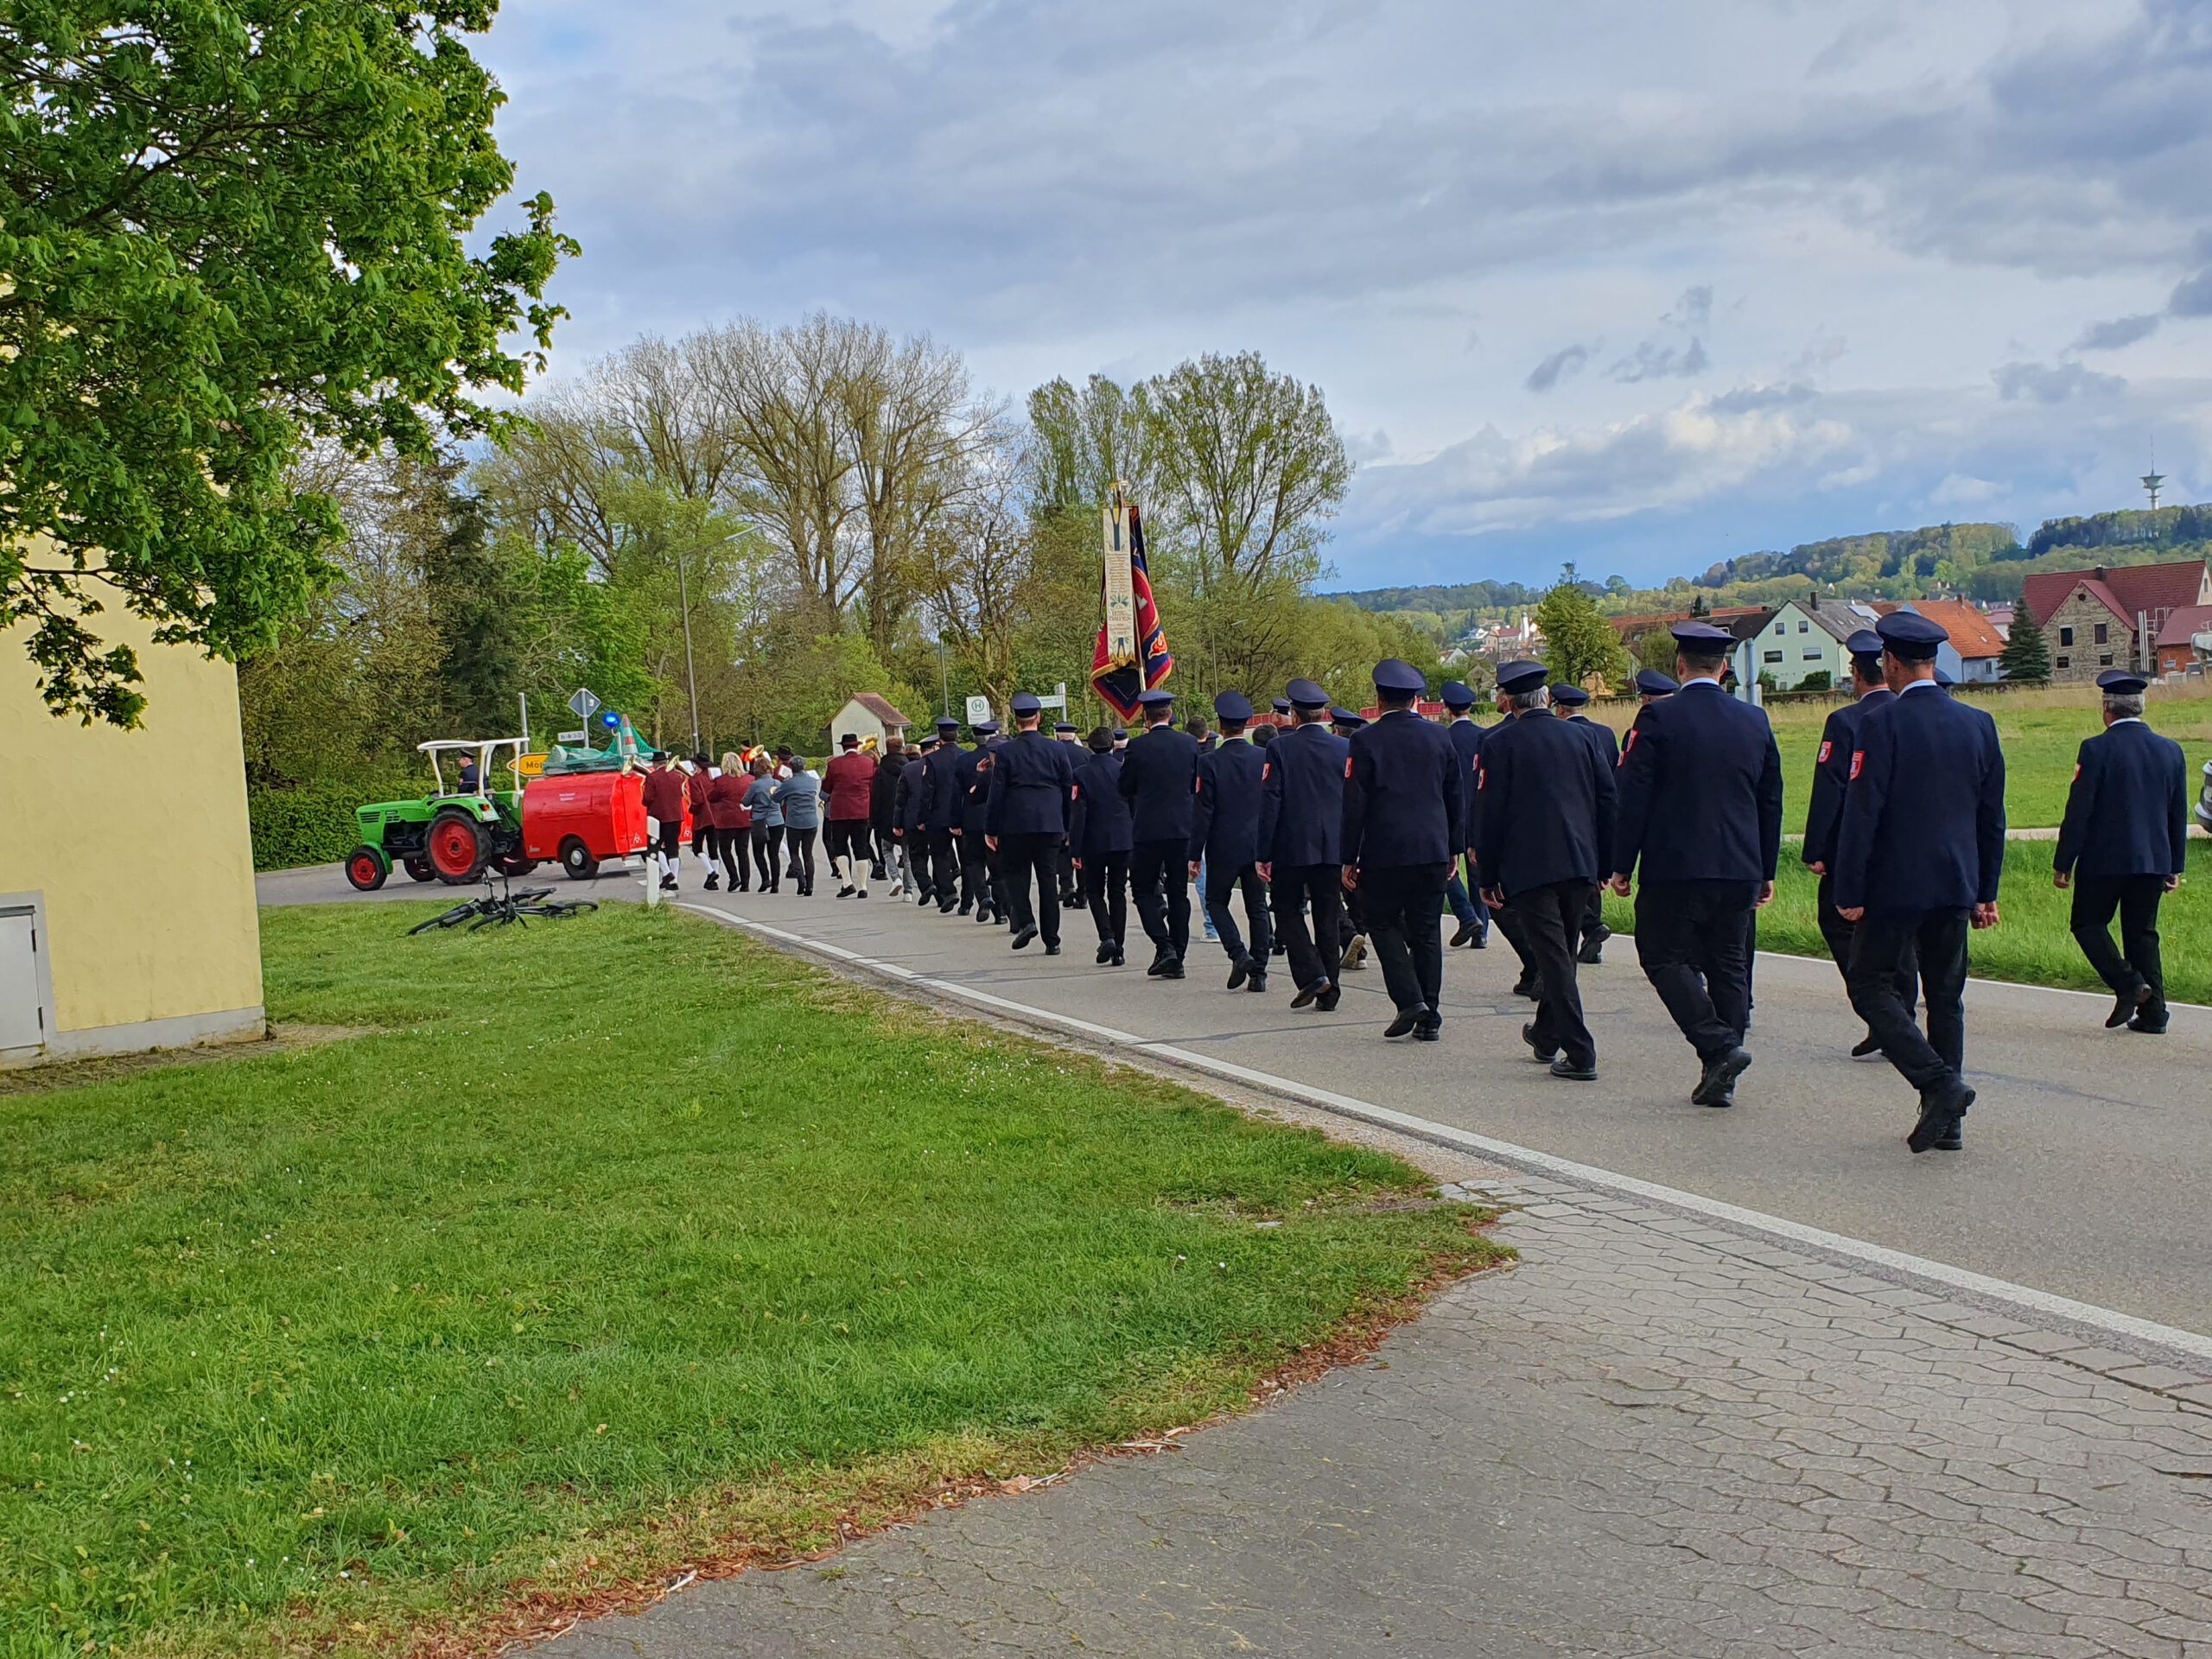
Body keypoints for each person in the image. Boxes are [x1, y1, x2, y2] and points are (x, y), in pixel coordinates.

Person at [1832, 610, 2007, 1154]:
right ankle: (1947, 1123)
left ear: (1890, 662)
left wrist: (1849, 890)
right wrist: (1986, 891)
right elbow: (1991, 817)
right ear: (1933, 661)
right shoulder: (1978, 723)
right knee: (1946, 997)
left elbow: (1862, 813)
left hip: (1896, 885)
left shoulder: (1879, 724)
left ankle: (1938, 1084)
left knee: (1868, 985)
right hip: (1956, 881)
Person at [1610, 621, 1784, 1109]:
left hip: (1676, 864)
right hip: (1740, 864)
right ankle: (1721, 1073)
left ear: (1680, 666)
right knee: (1729, 965)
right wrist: (1766, 868)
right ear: (1724, 668)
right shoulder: (1754, 720)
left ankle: (1719, 1047)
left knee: (1661, 956)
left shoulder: (1657, 718)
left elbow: (1634, 796)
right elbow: (1771, 800)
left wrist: (1622, 863)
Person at [1474, 662, 1614, 1080]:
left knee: (1554, 959)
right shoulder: (1582, 737)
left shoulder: (1499, 743)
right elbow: (1608, 800)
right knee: (1562, 954)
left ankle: (1581, 1051)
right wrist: (1605, 863)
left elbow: (1491, 814)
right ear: (1547, 697)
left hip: (1530, 865)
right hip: (1580, 861)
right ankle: (1547, 1034)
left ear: (1509, 700)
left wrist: (1488, 877)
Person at [2055, 670, 2190, 1035]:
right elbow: (2177, 813)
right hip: (2153, 860)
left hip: (2104, 861)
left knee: (2088, 924)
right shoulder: (2170, 750)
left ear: (2106, 709)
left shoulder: (2096, 749)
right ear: (2140, 707)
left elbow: (2079, 809)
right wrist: (2175, 865)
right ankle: (2154, 1014)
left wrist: (2064, 861)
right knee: (2142, 934)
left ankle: (2129, 983)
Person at [1342, 658, 1464, 1041]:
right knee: (1426, 932)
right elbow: (1454, 796)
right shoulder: (1440, 737)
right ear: (1415, 700)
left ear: (1379, 700)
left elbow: (1355, 804)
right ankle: (1430, 1017)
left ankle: (1410, 1000)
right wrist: (1454, 847)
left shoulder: (1365, 740)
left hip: (1385, 851)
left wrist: (1348, 856)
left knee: (1381, 923)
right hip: (1432, 847)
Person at [1802, 631, 1910, 1058]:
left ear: (1856, 673)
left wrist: (1817, 850)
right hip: (1902, 850)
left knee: (1838, 924)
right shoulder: (1908, 713)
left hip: (1854, 848)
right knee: (1900, 935)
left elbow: (1830, 788)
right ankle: (1896, 1014)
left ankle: (1885, 1013)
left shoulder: (1845, 721)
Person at [1258, 678, 1351, 1010]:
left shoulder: (1280, 748)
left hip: (1292, 843)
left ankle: (1313, 974)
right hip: (1333, 845)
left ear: (1295, 716)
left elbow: (1271, 800)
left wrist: (1263, 852)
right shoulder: (1343, 747)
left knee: (1286, 909)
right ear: (1323, 714)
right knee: (1327, 917)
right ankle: (1331, 990)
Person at [1190, 691, 1273, 991]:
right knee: (1257, 907)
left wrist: (1194, 853)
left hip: (1223, 844)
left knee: (1216, 902)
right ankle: (1259, 972)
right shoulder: (1263, 757)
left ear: (1221, 726)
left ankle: (1238, 953)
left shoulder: (1209, 762)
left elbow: (1203, 811)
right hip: (1256, 843)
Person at [1118, 687, 1201, 978]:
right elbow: (1195, 784)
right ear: (1170, 714)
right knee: (1179, 893)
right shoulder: (1190, 744)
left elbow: (1124, 787)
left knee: (1143, 890)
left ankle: (1164, 946)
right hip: (1182, 827)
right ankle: (1178, 953)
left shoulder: (1137, 747)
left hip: (1148, 829)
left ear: (1147, 717)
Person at [986, 692, 1077, 954]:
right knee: (1048, 879)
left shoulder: (1006, 751)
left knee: (1016, 875)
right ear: (1039, 718)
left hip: (1016, 822)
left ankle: (1026, 921)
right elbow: (1067, 787)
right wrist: (1067, 824)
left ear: (1016, 721)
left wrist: (991, 829)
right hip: (1049, 822)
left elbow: (997, 791)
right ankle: (1052, 940)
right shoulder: (1056, 748)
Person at [1553, 685, 1618, 965]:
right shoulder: (1605, 733)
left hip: (1572, 816)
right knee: (1593, 879)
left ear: (1560, 709)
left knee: (1571, 880)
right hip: (1599, 814)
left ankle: (1589, 927)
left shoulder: (1562, 735)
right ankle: (1594, 937)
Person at [1070, 726, 1135, 963]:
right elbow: (1132, 805)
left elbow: (1079, 813)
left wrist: (1075, 848)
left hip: (1093, 841)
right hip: (1122, 839)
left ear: (1090, 746)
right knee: (1117, 891)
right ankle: (1119, 947)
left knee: (1095, 891)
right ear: (1112, 745)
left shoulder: (1081, 774)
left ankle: (1107, 936)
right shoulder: (1123, 770)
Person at [1437, 682, 1490, 950]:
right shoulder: (1485, 736)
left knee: (1447, 867)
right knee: (1477, 871)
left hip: (1450, 810)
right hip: (1479, 808)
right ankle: (1480, 931)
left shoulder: (1442, 738)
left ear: (1448, 709)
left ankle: (1467, 916)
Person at [822, 733, 879, 899]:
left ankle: (847, 883)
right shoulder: (868, 762)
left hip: (840, 811)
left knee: (840, 847)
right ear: (857, 745)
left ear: (843, 747)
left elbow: (826, 788)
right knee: (861, 847)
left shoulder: (834, 764)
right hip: (861, 810)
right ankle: (863, 887)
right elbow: (872, 786)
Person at [921, 716, 967, 913]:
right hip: (963, 815)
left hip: (939, 815)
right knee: (966, 858)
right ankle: (968, 899)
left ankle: (949, 891)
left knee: (939, 855)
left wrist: (922, 818)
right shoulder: (966, 756)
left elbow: (927, 792)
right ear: (957, 735)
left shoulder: (932, 759)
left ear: (939, 736)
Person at [954, 721, 996, 921]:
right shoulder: (1003, 759)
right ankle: (1001, 912)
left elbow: (956, 794)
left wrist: (955, 821)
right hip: (997, 818)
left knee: (973, 862)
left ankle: (983, 896)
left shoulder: (963, 760)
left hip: (972, 818)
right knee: (997, 866)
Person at [772, 756, 822, 896]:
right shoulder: (811, 781)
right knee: (808, 853)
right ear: (804, 767)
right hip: (811, 821)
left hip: (794, 822)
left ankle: (801, 880)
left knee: (794, 852)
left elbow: (776, 798)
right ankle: (810, 885)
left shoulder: (789, 783)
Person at [893, 736, 934, 903]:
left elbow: (900, 798)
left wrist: (897, 823)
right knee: (940, 855)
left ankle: (926, 884)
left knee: (917, 855)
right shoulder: (939, 765)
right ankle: (943, 892)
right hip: (936, 817)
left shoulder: (908, 769)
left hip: (913, 818)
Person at [641, 752, 688, 892]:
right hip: (676, 816)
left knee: (655, 847)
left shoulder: (652, 777)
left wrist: (644, 799)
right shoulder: (677, 776)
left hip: (658, 817)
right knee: (673, 847)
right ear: (666, 762)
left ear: (655, 764)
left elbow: (648, 798)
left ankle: (667, 873)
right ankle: (674, 880)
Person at [706, 752, 752, 893]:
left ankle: (734, 877)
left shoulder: (720, 781)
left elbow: (711, 797)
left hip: (726, 820)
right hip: (745, 818)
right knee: (742, 851)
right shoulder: (749, 779)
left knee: (725, 849)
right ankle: (745, 883)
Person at [741, 756, 784, 893]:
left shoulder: (755, 785)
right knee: (774, 854)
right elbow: (782, 802)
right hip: (777, 821)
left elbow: (746, 802)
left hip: (760, 820)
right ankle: (776, 885)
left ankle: (765, 878)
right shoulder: (778, 783)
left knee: (758, 852)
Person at [871, 742, 905, 893]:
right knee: (907, 852)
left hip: (885, 814)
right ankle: (909, 890)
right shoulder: (909, 766)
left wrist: (874, 819)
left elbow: (876, 796)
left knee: (886, 848)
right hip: (904, 813)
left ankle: (895, 877)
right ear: (901, 748)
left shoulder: (881, 770)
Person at [685, 755, 719, 889]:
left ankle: (711, 872)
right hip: (715, 816)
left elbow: (697, 800)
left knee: (697, 848)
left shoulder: (694, 779)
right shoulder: (713, 778)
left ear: (696, 765)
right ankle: (714, 880)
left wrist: (691, 808)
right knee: (713, 849)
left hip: (702, 817)